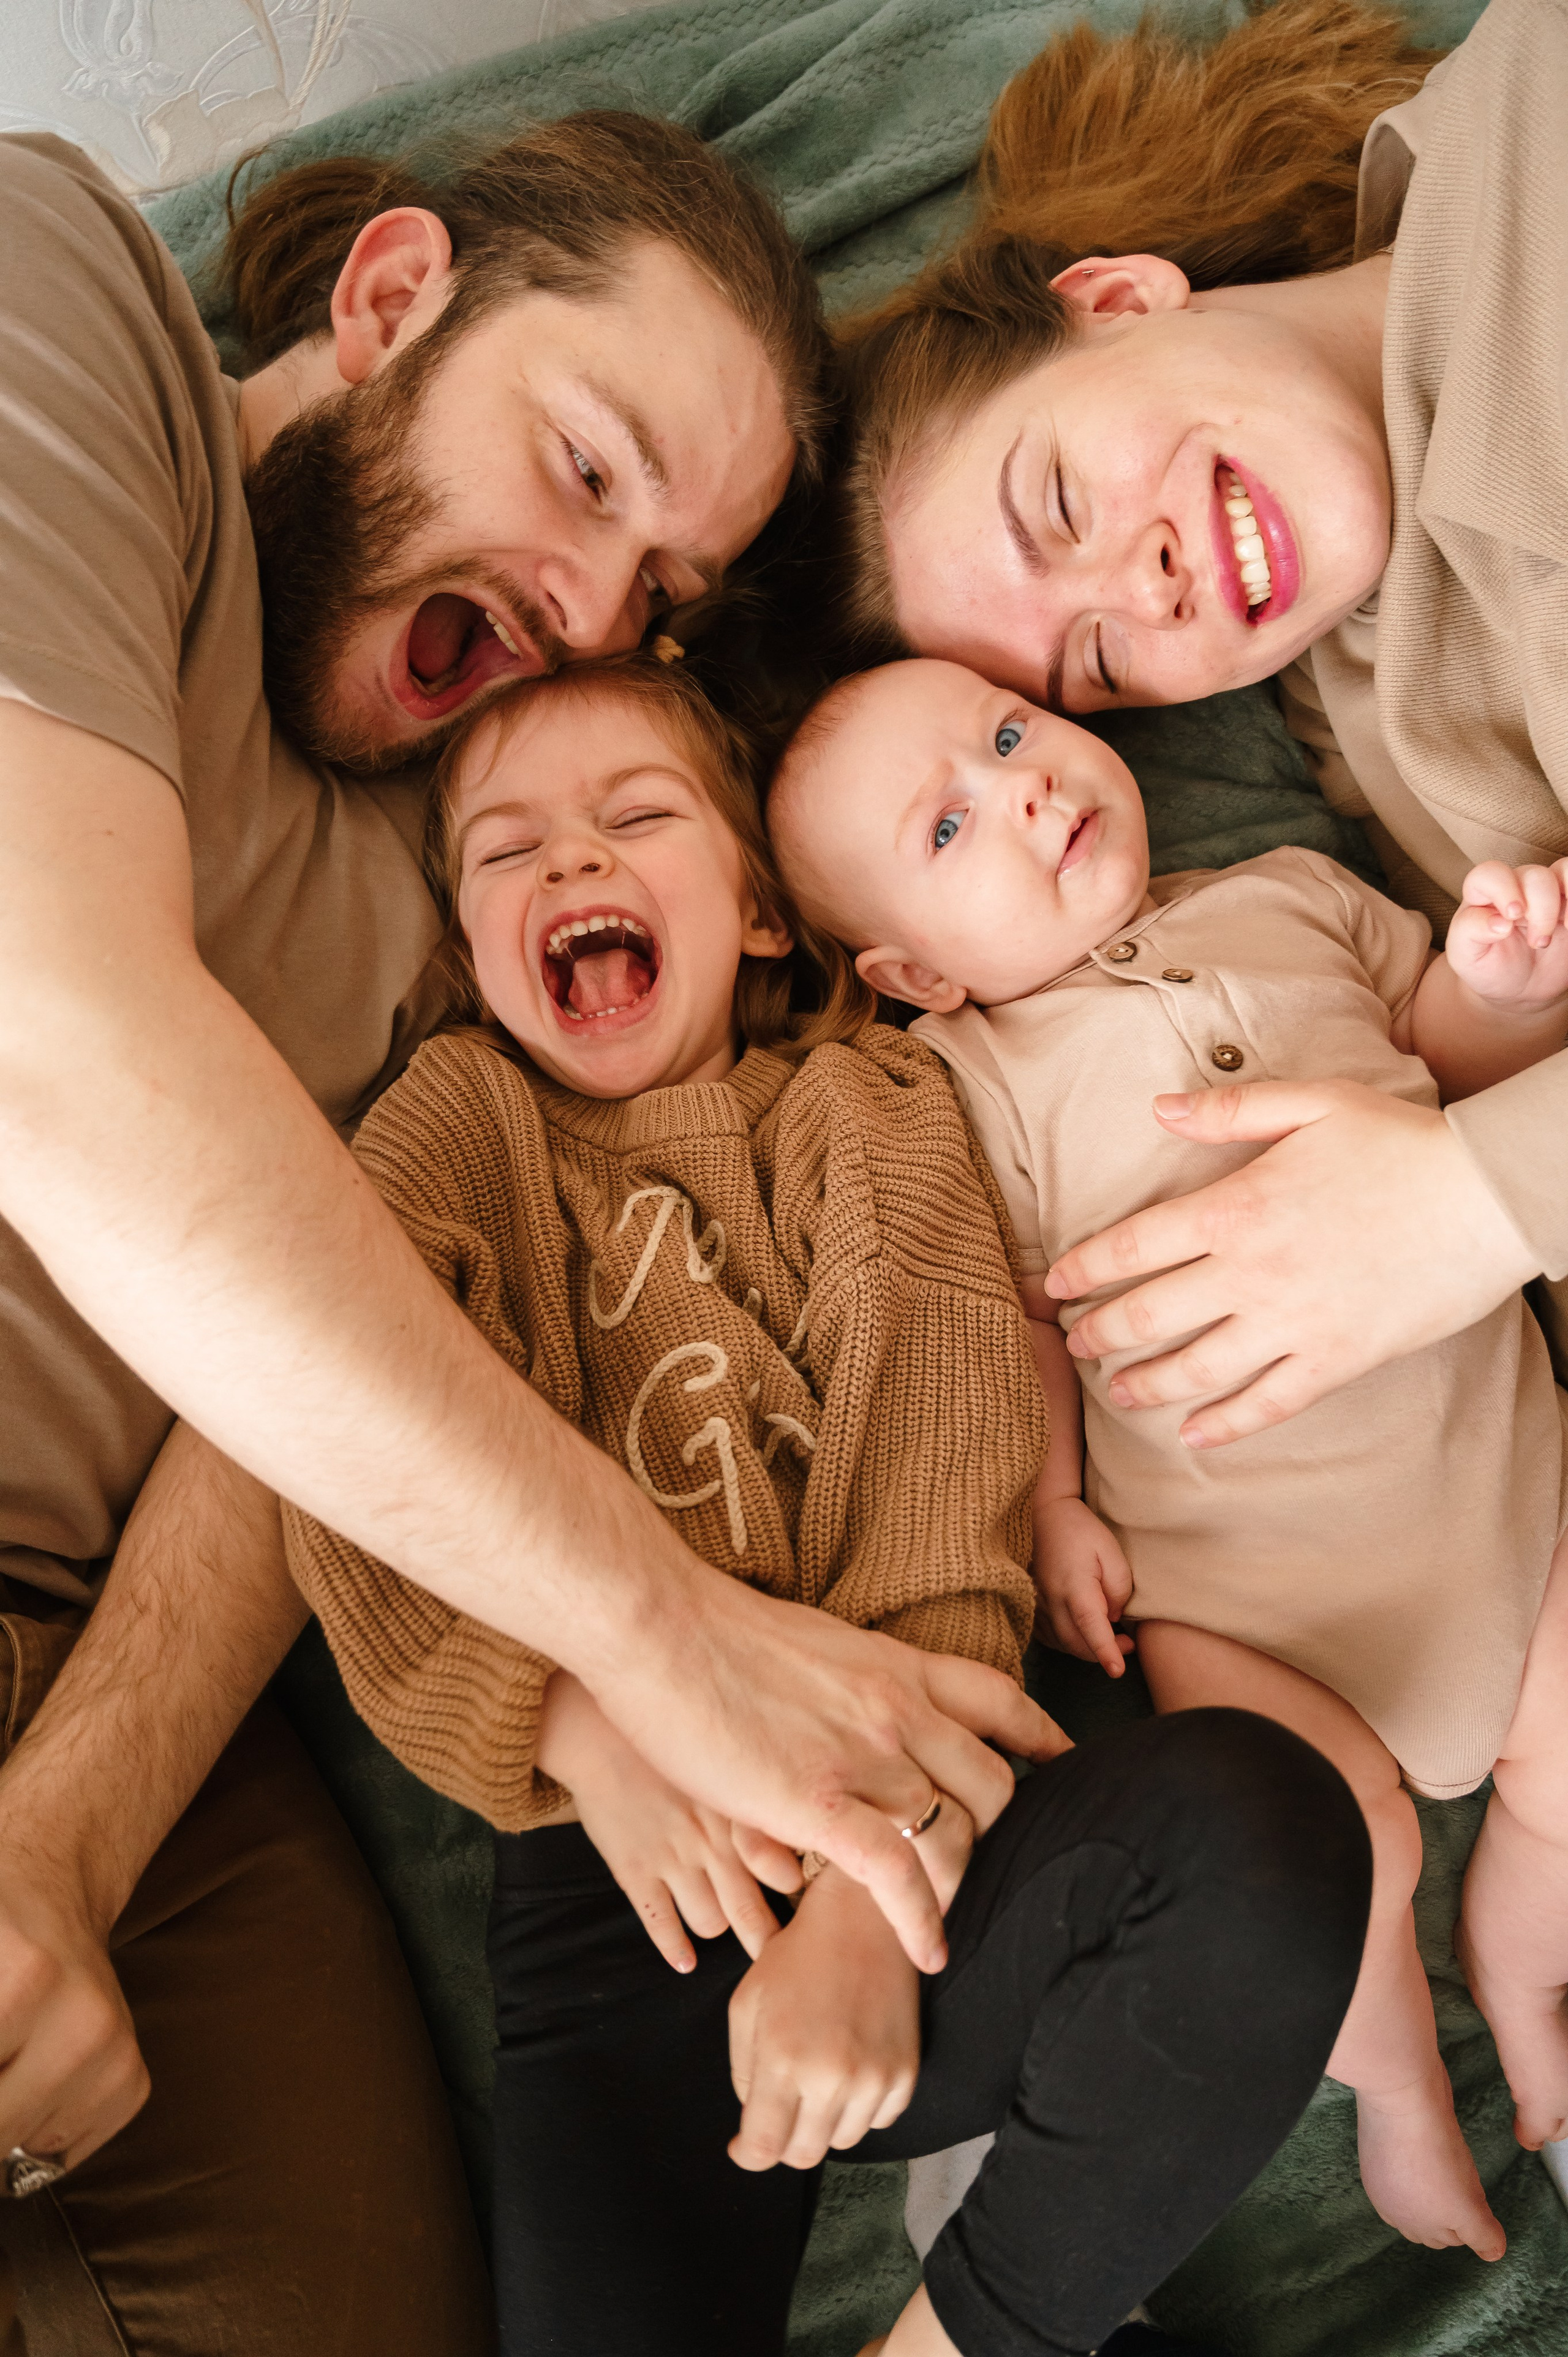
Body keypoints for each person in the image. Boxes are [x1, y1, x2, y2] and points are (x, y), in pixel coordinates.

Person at [0, 113, 1044, 2355]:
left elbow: (316, 1402)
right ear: (390, 301)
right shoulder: (45, 277)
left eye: (652, 598)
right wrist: (662, 1632)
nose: (582, 613)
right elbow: (53, 1041)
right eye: (583, 467)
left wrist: (58, 1848)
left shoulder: (475, 896)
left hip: (111, 1682)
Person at [282, 649, 1374, 2357]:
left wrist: (878, 1896)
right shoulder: (447, 1133)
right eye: (508, 853)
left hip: (922, 1796)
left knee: (1266, 1836)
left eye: (636, 817)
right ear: (466, 940)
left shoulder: (871, 1113)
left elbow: (950, 1488)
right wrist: (582, 1730)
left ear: (765, 917)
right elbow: (341, 1467)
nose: (571, 862)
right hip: (624, 1872)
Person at [765, 654, 1568, 2261]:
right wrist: (1056, 1502)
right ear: (914, 973)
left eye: (1011, 734)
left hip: (1502, 1490)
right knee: (1323, 1839)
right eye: (951, 822)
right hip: (1243, 1587)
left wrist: (1497, 991)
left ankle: (1525, 1959)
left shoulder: (1296, 893)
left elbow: (1442, 1073)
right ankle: (1400, 2086)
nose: (1028, 785)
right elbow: (1011, 1328)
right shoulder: (964, 1086)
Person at [830, 0, 1568, 1485]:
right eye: (1088, 668)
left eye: (1057, 503)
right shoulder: (1369, 743)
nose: (1142, 590)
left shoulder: (1533, 141)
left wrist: (1472, 1202)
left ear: (1111, 298)